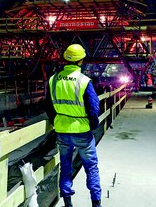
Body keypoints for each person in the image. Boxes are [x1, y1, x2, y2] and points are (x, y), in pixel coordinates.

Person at [45, 44, 102, 207]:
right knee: (91, 168)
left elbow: (48, 106)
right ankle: (96, 203)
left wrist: (57, 121)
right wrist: (92, 125)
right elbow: (94, 108)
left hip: (62, 131)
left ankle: (68, 203)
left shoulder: (53, 79)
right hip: (82, 131)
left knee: (66, 167)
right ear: (81, 60)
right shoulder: (84, 81)